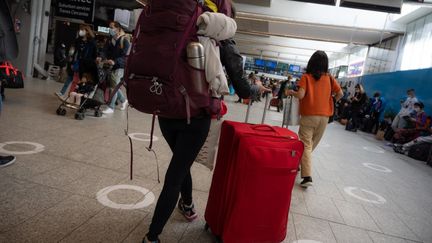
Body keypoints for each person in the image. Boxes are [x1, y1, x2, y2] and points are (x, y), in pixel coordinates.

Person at [142, 1, 269, 242]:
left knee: (181, 162)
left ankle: (187, 204)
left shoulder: (181, 25)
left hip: (167, 110)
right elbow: (242, 88)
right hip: (196, 116)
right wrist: (256, 89)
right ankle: (152, 235)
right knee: (176, 173)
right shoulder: (222, 37)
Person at [287, 51, 343, 188]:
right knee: (311, 145)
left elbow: (300, 95)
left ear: (311, 62)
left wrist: (290, 92)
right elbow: (340, 94)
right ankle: (301, 164)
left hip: (309, 116)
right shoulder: (330, 79)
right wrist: (330, 101)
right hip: (324, 117)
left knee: (306, 145)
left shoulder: (306, 77)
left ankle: (307, 177)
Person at [56, 25, 98, 98]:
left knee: (78, 81)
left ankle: (72, 96)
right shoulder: (78, 41)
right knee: (73, 80)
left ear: (87, 31)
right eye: (80, 30)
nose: (80, 32)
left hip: (85, 65)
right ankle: (69, 95)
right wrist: (72, 61)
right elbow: (74, 52)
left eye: (82, 30)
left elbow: (94, 55)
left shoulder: (92, 42)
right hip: (77, 63)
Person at [99, 21, 129, 114]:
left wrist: (115, 61)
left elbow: (125, 56)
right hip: (110, 65)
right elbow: (105, 50)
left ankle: (111, 107)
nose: (110, 29)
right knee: (114, 85)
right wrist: (101, 57)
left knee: (113, 86)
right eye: (110, 27)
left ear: (118, 28)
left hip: (120, 66)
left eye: (112, 27)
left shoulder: (124, 40)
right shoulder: (110, 39)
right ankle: (124, 100)